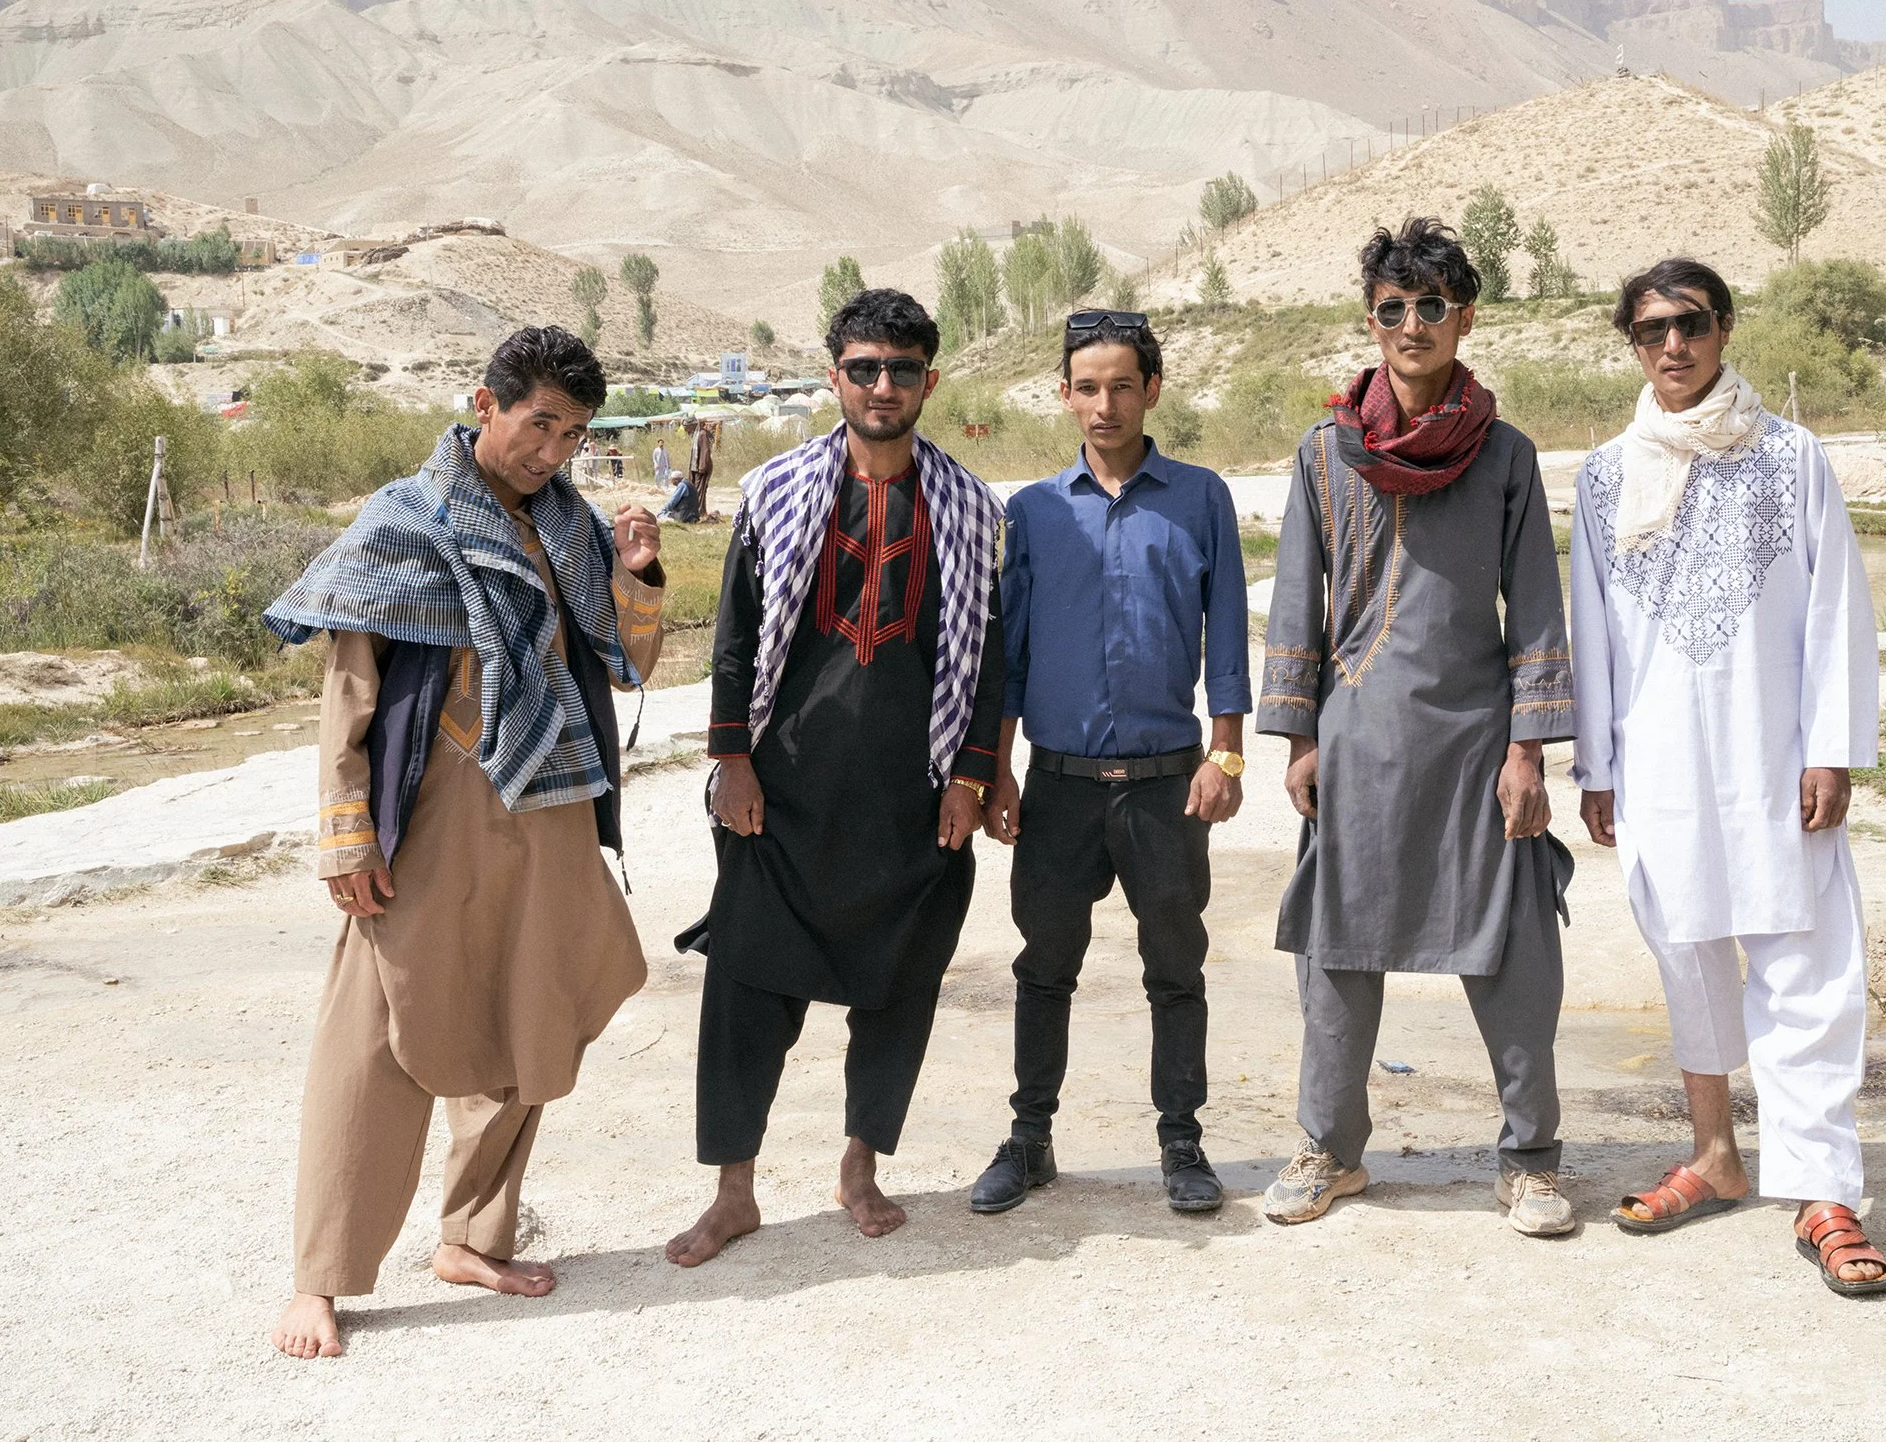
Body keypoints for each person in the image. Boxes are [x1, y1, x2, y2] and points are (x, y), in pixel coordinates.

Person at [260, 326, 669, 1359]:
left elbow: (628, 663)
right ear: (485, 404)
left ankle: (472, 1238)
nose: (552, 452)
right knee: (373, 1034)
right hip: (438, 810)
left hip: (553, 805)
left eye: (572, 435)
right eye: (540, 425)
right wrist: (347, 834)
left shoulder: (570, 526)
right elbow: (349, 691)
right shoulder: (402, 522)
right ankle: (320, 1278)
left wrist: (637, 573)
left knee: (533, 1014)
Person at [1569, 258, 1886, 1298]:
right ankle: (1714, 1156)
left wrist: (1830, 746)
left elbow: (1836, 607)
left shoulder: (1790, 457)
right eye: (1651, 329)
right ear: (1631, 343)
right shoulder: (1604, 475)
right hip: (1658, 756)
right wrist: (1596, 765)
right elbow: (1591, 627)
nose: (1673, 345)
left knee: (1805, 957)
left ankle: (1822, 1191)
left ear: (1723, 329)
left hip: (1773, 752)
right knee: (1687, 949)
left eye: (1692, 323)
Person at [665, 289, 1004, 1266]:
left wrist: (971, 777)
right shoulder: (774, 492)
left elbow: (989, 658)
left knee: (899, 986)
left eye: (902, 369)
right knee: (744, 986)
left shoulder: (971, 509)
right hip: (782, 794)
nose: (882, 386)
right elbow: (734, 636)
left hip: (911, 796)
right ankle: (733, 1192)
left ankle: (859, 1167)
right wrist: (731, 758)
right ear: (834, 378)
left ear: (929, 381)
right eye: (864, 368)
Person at [1257, 217, 1577, 1236]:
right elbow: (1296, 603)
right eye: (1392, 307)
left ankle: (1529, 1160)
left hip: (1478, 743)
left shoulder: (1505, 455)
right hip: (1355, 735)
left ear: (1463, 318)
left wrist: (1527, 750)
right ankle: (1329, 1149)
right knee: (1337, 947)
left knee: (1513, 949)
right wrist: (1300, 738)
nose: (1411, 325)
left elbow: (1535, 608)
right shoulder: (1325, 452)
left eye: (1430, 306)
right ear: (1371, 320)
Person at [970, 309, 1250, 1217]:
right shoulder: (1035, 512)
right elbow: (1009, 652)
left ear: (1151, 391)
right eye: (1087, 388)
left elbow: (1227, 632)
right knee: (1044, 967)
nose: (1105, 405)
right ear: (1063, 396)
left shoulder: (1199, 498)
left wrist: (1227, 754)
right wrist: (998, 770)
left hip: (1168, 783)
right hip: (1058, 785)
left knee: (1175, 968)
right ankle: (1030, 1138)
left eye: (1122, 386)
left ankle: (1182, 1142)